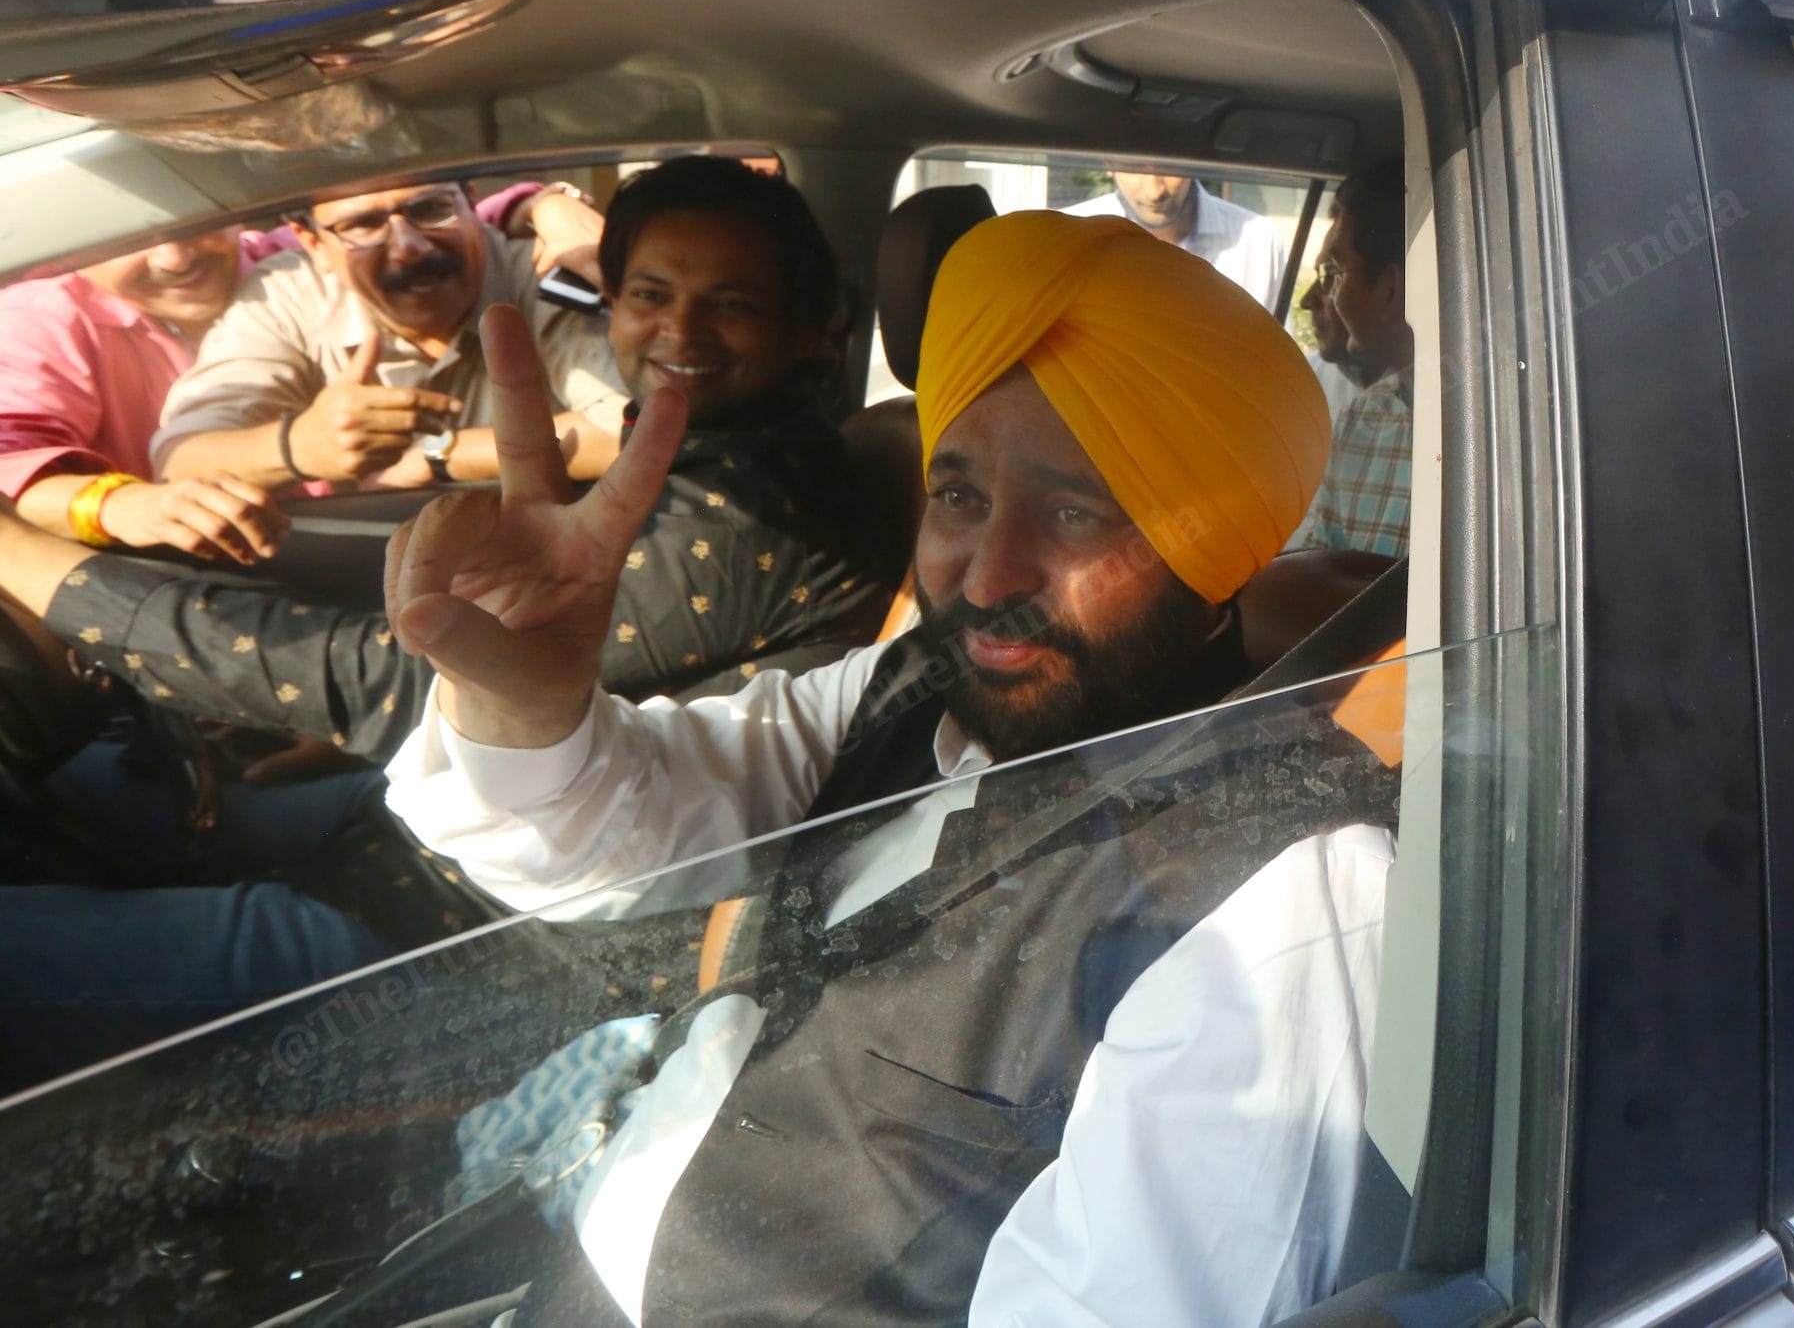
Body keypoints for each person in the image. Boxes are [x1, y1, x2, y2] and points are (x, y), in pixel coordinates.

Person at [380, 209, 1391, 1325]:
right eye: (958, 496)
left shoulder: (1281, 885)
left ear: (1217, 561)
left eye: (1074, 510)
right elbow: (600, 848)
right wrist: (521, 704)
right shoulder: (917, 686)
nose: (987, 572)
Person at [7, 158, 904, 765]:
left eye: (732, 303)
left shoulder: (756, 506)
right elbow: (190, 448)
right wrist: (297, 448)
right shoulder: (724, 453)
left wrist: (33, 562)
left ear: (808, 333)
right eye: (650, 294)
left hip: (490, 914)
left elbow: (394, 679)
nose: (679, 331)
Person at [0, 183, 590, 560]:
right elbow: (10, 469)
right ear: (74, 249)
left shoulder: (272, 264)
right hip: (176, 563)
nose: (174, 257)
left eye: (190, 221)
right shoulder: (38, 325)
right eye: (125, 239)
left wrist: (540, 204)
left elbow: (396, 215)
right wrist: (118, 506)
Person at [154, 179, 629, 493]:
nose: (410, 247)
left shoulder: (541, 269)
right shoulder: (284, 297)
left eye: (430, 210)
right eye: (363, 225)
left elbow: (634, 432)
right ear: (313, 244)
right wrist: (298, 445)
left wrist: (442, 455)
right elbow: (181, 458)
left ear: (470, 207)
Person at [1292, 162, 1415, 557]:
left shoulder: (1506, 429)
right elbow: (1319, 571)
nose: (1316, 298)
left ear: (1390, 289)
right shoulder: (1363, 419)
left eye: (1334, 272)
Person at [1068, 165, 1283, 308]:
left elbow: (1279, 356)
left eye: (1169, 167)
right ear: (1108, 163)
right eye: (1135, 167)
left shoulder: (1258, 241)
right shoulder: (1069, 235)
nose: (1154, 192)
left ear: (1193, 161)